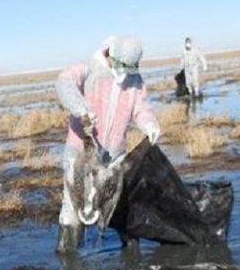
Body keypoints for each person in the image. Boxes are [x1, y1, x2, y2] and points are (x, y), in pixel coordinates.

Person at [55, 35, 161, 253]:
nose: (124, 74)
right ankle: (68, 257)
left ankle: (131, 256)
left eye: (129, 69)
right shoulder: (88, 68)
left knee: (120, 204)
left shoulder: (135, 79)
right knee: (74, 206)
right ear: (111, 55)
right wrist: (80, 108)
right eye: (121, 66)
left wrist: (149, 124)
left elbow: (141, 108)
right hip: (80, 152)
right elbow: (64, 83)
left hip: (114, 156)